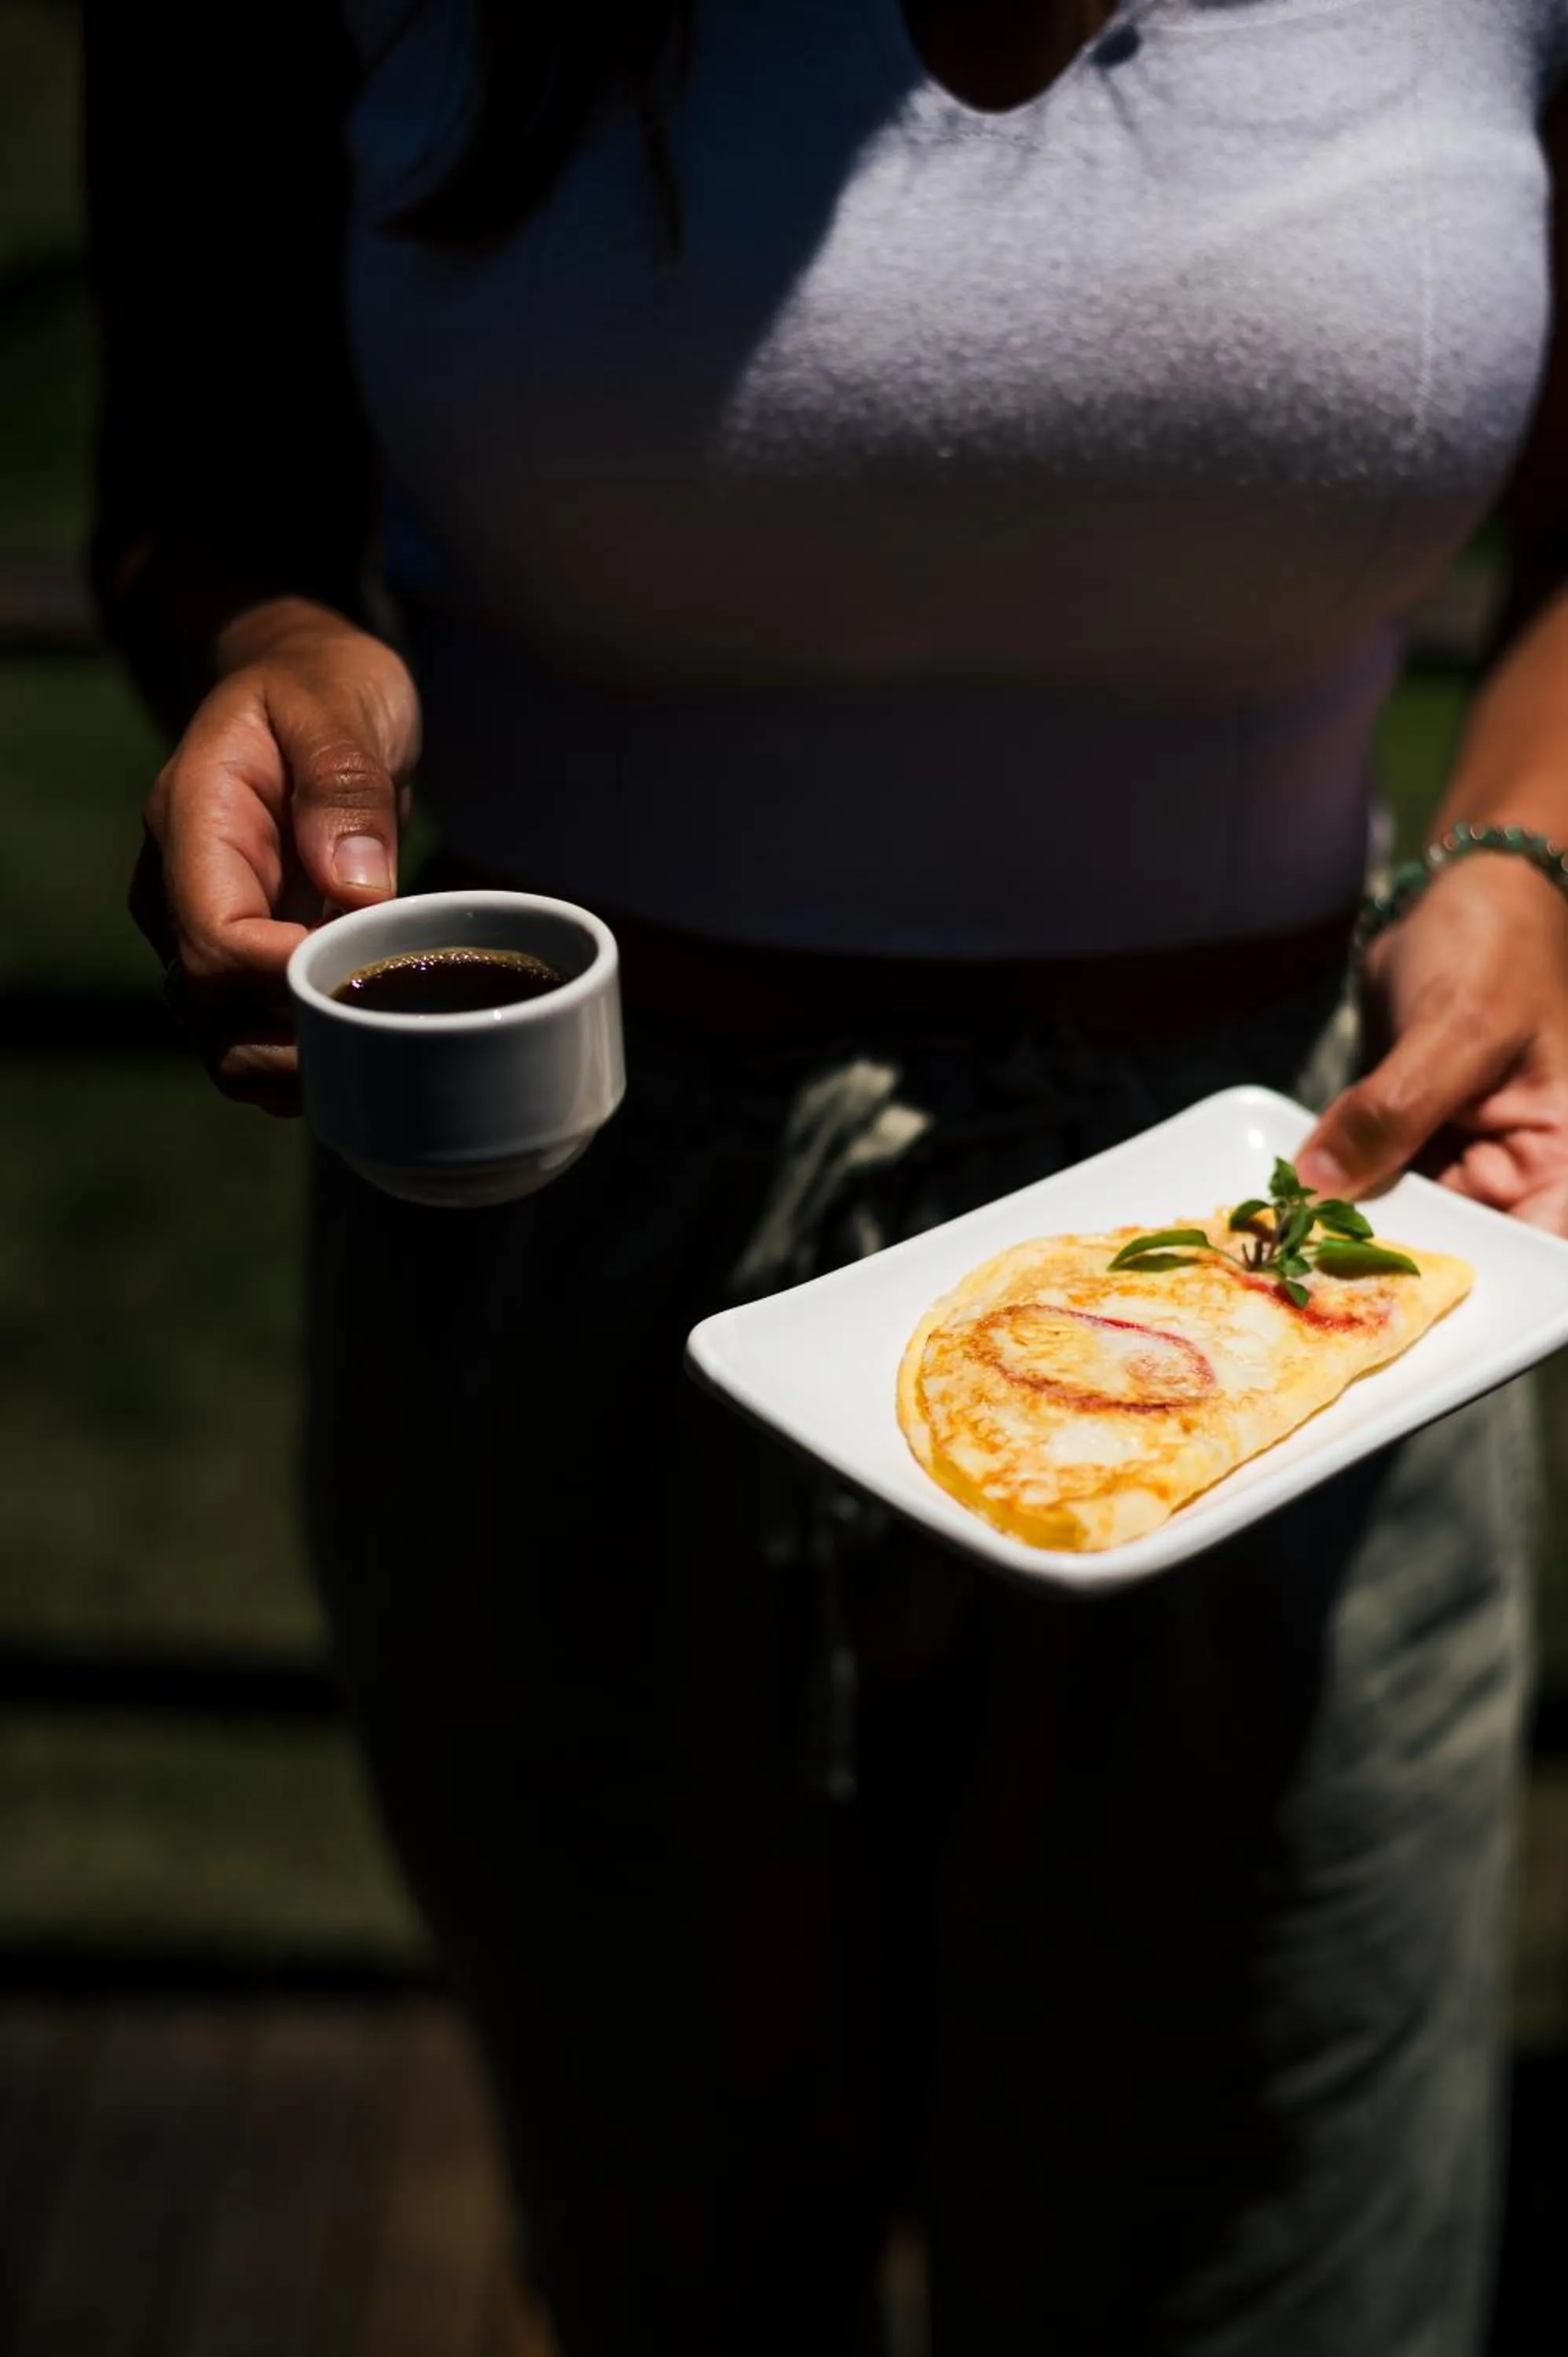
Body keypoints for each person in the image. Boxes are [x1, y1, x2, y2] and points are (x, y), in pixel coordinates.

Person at [87, 3, 1568, 2350]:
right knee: (671, 2272)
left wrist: (1526, 845)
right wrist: (257, 642)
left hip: (1303, 1242)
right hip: (561, 1232)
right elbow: (196, 450)